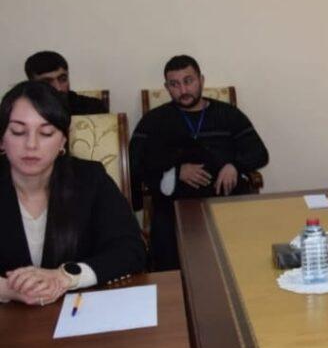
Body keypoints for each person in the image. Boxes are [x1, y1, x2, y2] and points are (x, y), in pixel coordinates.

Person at [0, 81, 145, 305]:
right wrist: (9, 289)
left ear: (63, 142)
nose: (31, 144)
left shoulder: (90, 178)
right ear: (2, 139)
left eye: (46, 133)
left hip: (76, 312)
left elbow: (131, 250)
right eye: (18, 132)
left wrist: (65, 277)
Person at [130, 55, 268, 270]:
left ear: (201, 80)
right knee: (167, 248)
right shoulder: (153, 120)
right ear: (166, 87)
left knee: (245, 255)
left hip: (224, 201)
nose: (183, 90)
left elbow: (259, 153)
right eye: (175, 84)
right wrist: (175, 170)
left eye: (189, 81)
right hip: (175, 206)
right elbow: (134, 163)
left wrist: (235, 166)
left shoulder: (228, 115)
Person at [24, 51, 107, 115]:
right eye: (47, 82)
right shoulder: (24, 111)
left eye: (63, 79)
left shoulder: (92, 108)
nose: (58, 88)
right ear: (32, 85)